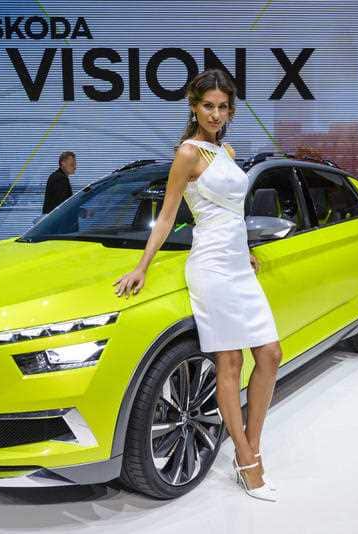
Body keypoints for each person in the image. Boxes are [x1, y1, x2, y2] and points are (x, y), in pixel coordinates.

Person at [114, 69, 281, 502]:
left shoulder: (224, 149)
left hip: (237, 267)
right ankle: (247, 460)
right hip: (209, 267)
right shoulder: (188, 153)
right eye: (208, 105)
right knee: (229, 363)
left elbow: (231, 211)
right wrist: (142, 266)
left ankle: (252, 445)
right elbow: (169, 215)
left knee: (269, 354)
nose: (216, 113)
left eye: (223, 106)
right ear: (193, 107)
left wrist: (243, 247)